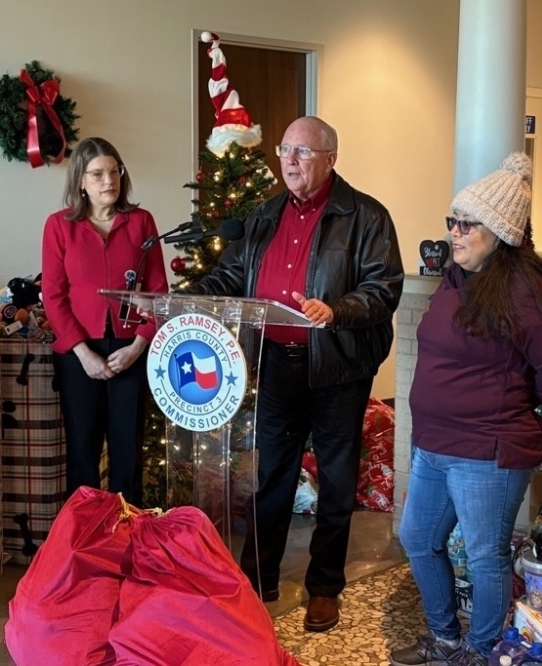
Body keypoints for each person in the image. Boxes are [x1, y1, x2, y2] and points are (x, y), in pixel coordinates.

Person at [181, 116, 404, 632]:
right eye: (285, 150)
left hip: (338, 368)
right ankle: (258, 580)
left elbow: (383, 287)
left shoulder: (365, 216)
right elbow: (233, 275)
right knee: (273, 476)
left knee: (336, 479)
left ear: (330, 159)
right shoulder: (264, 215)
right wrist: (187, 297)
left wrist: (336, 310)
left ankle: (325, 587)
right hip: (277, 365)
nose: (290, 160)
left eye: (302, 152)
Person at [390, 153, 542, 666]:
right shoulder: (455, 279)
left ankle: (482, 651)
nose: (454, 231)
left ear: (501, 231)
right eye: (452, 220)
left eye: (467, 223)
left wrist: (508, 400)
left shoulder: (526, 290)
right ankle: (446, 638)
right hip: (434, 444)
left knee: (484, 555)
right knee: (418, 539)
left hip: (487, 449)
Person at [41, 137, 168, 506]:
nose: (108, 181)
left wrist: (138, 346)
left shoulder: (142, 222)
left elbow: (157, 293)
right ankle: (84, 541)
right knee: (82, 449)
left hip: (130, 350)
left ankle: (129, 540)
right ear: (80, 180)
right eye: (97, 174)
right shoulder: (59, 226)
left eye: (114, 172)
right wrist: (83, 353)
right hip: (79, 353)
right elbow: (54, 296)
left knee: (128, 450)